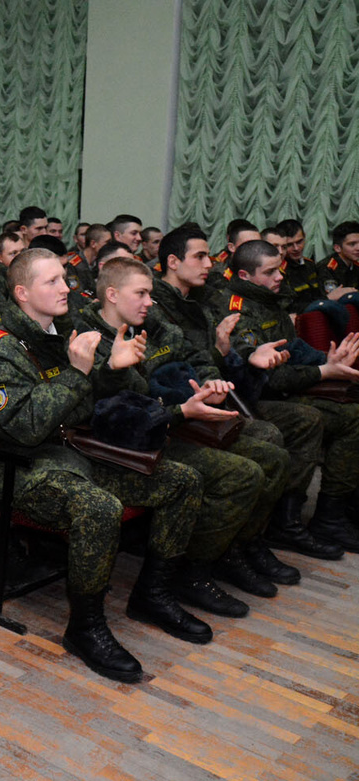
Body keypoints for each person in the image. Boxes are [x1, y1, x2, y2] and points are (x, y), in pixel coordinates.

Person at [0, 248, 205, 682]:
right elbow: (23, 429)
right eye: (52, 281)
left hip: (74, 453)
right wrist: (77, 374)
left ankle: (152, 592)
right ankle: (85, 626)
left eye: (64, 279)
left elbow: (93, 407)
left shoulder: (60, 336)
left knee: (181, 481)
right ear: (22, 292)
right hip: (22, 468)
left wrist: (111, 371)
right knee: (99, 508)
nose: (65, 288)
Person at [76, 257, 293, 608]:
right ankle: (190, 573)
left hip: (165, 423)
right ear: (112, 295)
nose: (150, 301)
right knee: (242, 474)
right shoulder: (84, 337)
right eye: (142, 293)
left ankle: (229, 551)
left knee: (274, 458)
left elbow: (189, 359)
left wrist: (206, 385)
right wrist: (177, 408)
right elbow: (102, 411)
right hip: (125, 443)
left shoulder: (147, 324)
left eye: (150, 293)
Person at [147, 227, 306, 584]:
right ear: (172, 262)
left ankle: (244, 542)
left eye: (209, 255)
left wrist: (237, 359)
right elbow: (167, 375)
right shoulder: (154, 308)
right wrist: (219, 362)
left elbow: (209, 368)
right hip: (174, 413)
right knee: (264, 442)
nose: (211, 263)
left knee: (272, 448)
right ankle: (222, 551)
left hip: (207, 400)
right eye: (200, 257)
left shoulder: (198, 305)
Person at [216, 239, 359, 553]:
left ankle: (334, 512)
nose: (280, 276)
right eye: (270, 272)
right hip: (251, 398)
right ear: (244, 275)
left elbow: (293, 349)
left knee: (352, 409)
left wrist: (327, 360)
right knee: (314, 419)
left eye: (279, 269)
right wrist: (325, 372)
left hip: (280, 391)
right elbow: (272, 374)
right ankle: (288, 522)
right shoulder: (238, 312)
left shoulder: (270, 300)